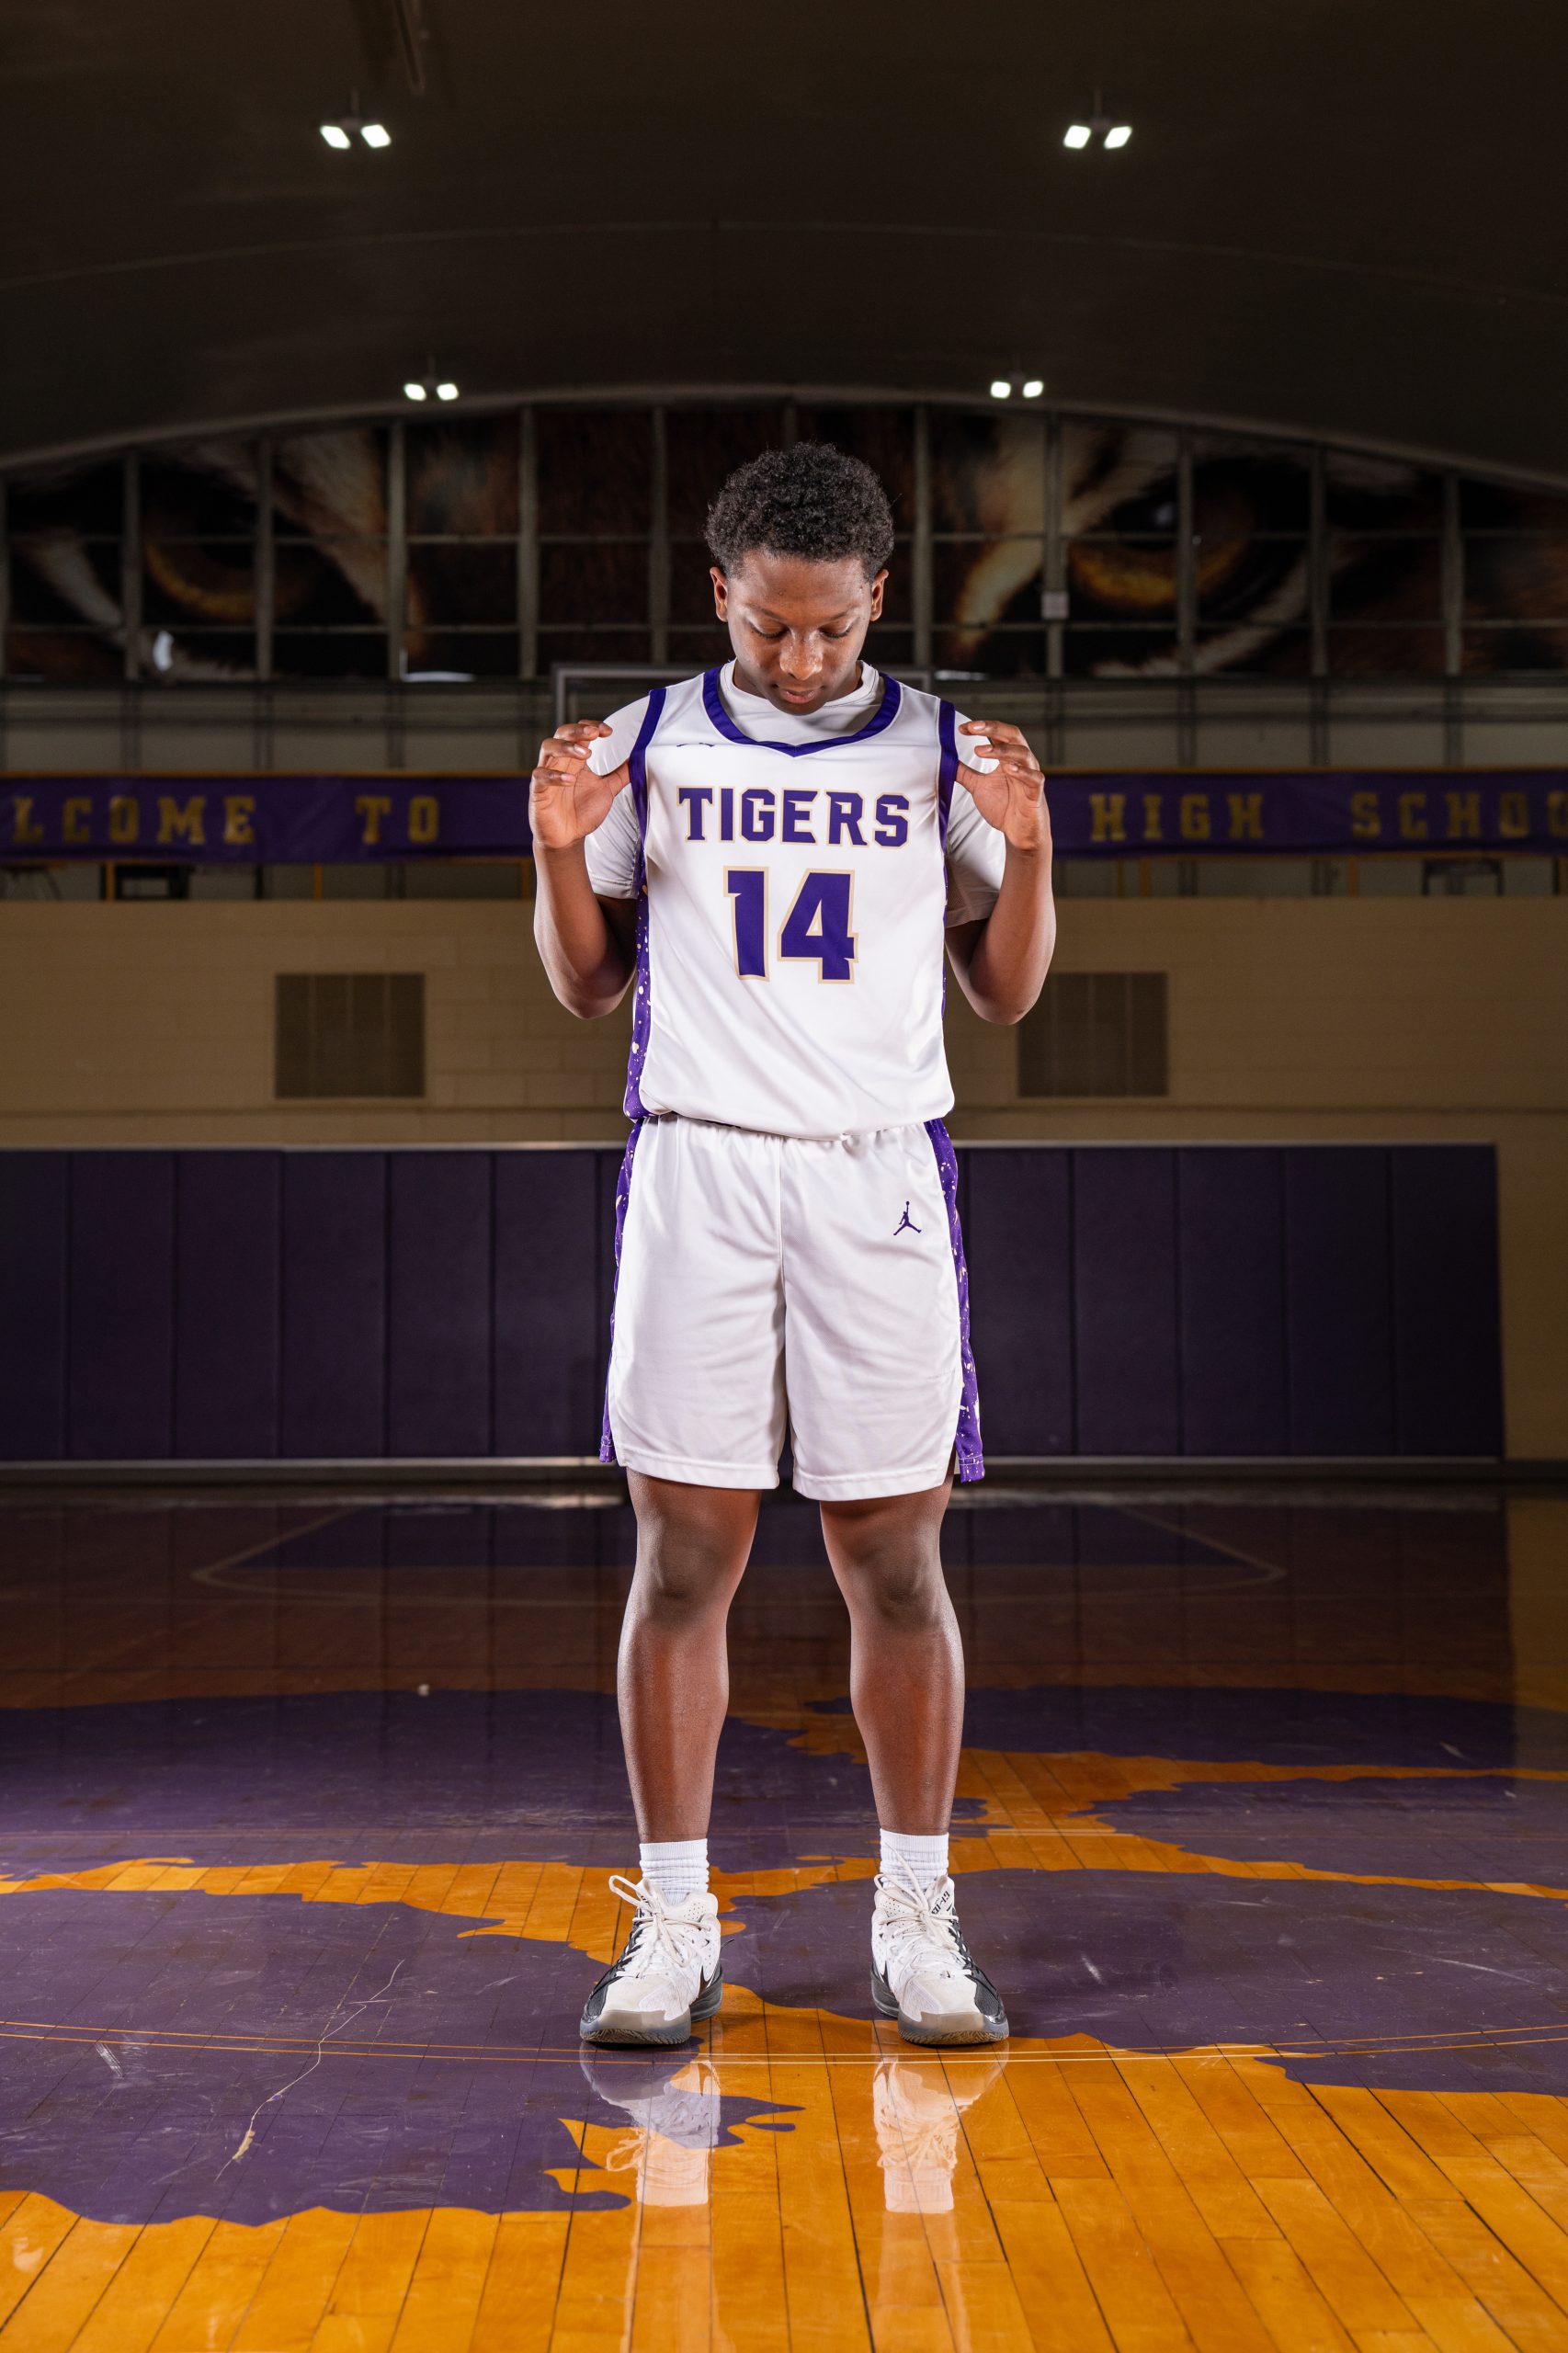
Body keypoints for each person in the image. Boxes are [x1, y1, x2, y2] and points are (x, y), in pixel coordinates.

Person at [530, 442, 1055, 2048]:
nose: (803, 654)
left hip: (872, 1172)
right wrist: (555, 847)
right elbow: (585, 986)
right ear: (720, 594)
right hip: (698, 1161)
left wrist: (1031, 849)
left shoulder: (945, 749)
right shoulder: (643, 741)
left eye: (831, 625)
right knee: (684, 1557)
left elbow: (1004, 995)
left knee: (892, 1560)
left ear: (878, 598)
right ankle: (673, 1922)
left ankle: (916, 1920)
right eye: (770, 624)